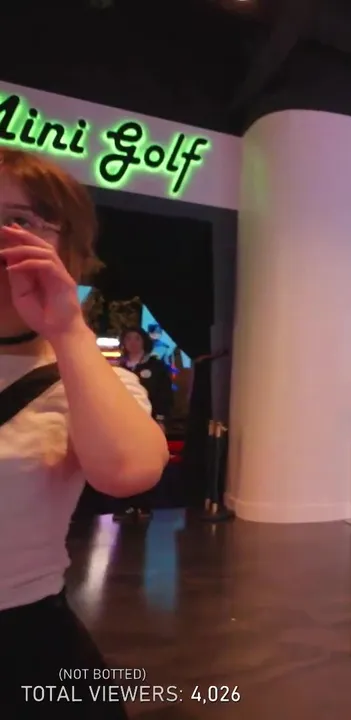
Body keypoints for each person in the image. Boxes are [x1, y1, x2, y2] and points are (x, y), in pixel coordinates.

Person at [0, 149, 169, 717]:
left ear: (66, 248)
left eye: (18, 220)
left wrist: (67, 328)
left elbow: (129, 473)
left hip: (24, 645)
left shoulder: (87, 377)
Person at [111, 326, 174, 521]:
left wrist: (161, 419)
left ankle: (144, 504)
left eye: (137, 338)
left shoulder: (156, 366)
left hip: (148, 422)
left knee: (145, 463)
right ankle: (126, 505)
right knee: (123, 464)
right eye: (128, 338)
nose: (132, 343)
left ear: (144, 341)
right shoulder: (118, 368)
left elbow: (164, 395)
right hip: (122, 424)